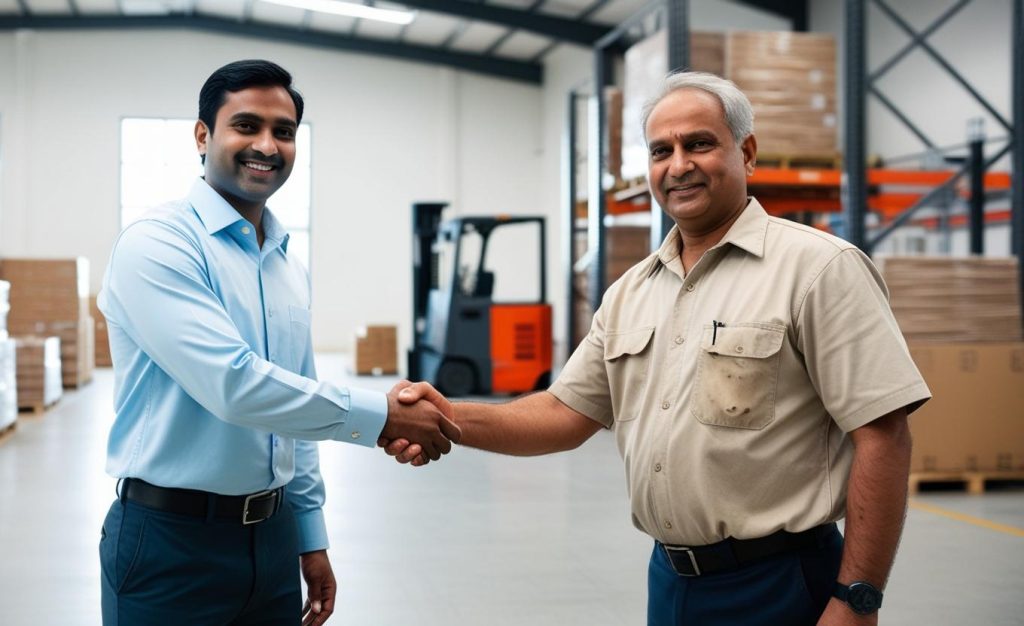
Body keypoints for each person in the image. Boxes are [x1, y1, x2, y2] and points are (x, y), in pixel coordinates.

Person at [391, 71, 930, 625]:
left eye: (699, 144)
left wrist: (857, 598)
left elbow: (883, 433)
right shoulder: (631, 292)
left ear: (746, 153)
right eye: (660, 150)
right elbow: (560, 414)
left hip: (780, 583)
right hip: (670, 581)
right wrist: (446, 416)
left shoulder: (819, 270)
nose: (678, 165)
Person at [98, 59, 460, 626]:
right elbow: (234, 385)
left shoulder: (284, 263)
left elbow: (297, 408)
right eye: (246, 126)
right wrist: (383, 417)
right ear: (202, 135)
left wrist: (309, 536)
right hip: (169, 543)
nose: (267, 145)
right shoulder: (159, 245)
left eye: (284, 132)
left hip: (270, 540)